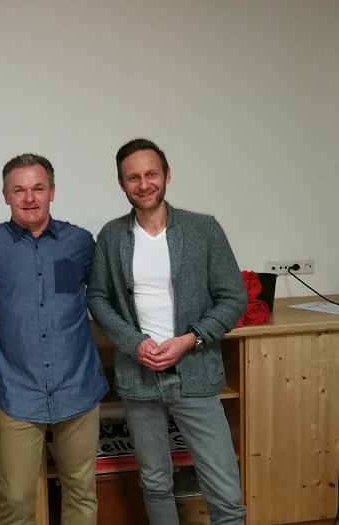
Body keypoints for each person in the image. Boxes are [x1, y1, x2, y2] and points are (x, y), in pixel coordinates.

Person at [87, 138, 247, 524]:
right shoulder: (111, 236)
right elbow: (97, 298)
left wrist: (191, 338)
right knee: (155, 483)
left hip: (196, 373)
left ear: (167, 175)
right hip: (139, 377)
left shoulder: (203, 229)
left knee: (224, 490)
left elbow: (233, 297)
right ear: (122, 183)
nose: (144, 184)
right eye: (133, 177)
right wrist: (134, 343)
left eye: (151, 174)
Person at [0, 153, 108, 525]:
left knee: (81, 491)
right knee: (15, 499)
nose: (29, 198)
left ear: (52, 192)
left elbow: (105, 299)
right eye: (19, 190)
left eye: (38, 188)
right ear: (5, 195)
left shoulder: (80, 242)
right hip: (19, 391)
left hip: (77, 385)